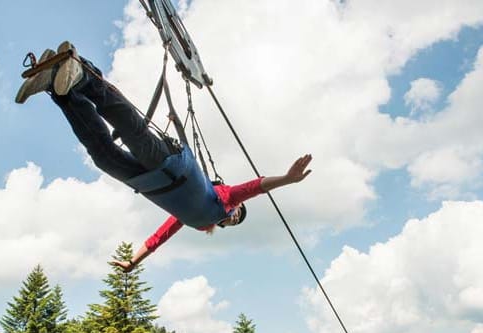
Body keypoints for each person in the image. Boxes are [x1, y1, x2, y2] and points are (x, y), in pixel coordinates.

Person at [16, 41, 313, 272]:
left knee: (103, 156)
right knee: (130, 128)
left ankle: (60, 89)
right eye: (238, 214)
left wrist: (134, 260)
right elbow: (254, 187)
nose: (234, 217)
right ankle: (82, 74)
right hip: (171, 167)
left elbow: (161, 235)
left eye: (234, 222)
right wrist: (287, 179)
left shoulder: (198, 220)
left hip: (148, 182)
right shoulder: (223, 198)